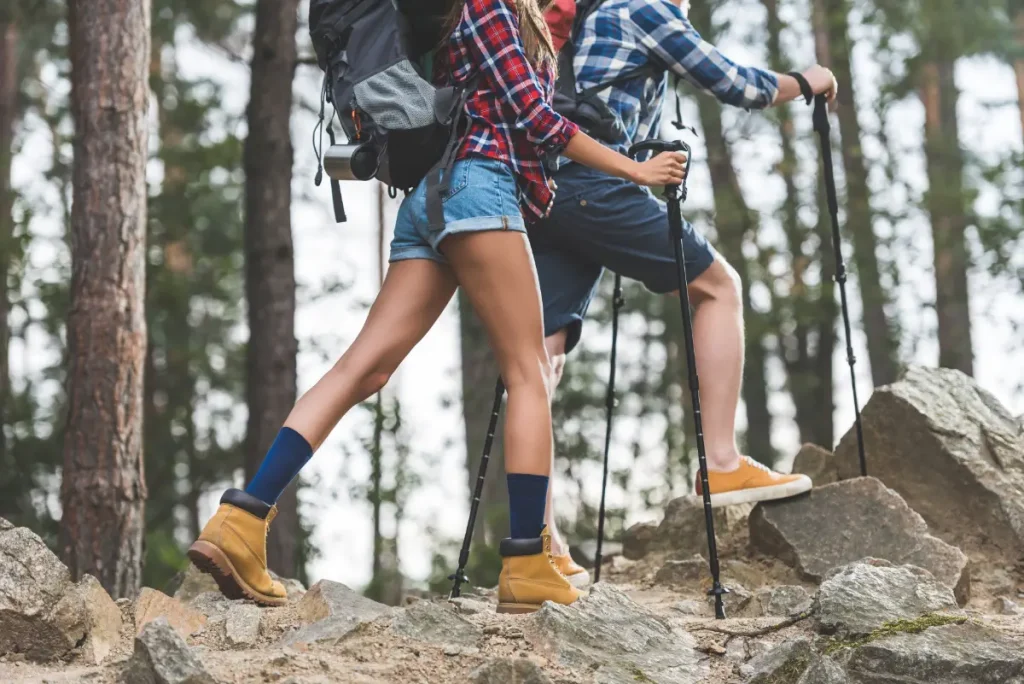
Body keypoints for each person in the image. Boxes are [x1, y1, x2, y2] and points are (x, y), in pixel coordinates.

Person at [187, 0, 685, 613]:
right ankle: (528, 562)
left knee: (362, 369)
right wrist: (634, 170)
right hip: (479, 186)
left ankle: (239, 522)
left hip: (434, 198)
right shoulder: (490, 6)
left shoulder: (487, 13)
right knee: (529, 372)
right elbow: (539, 120)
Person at [534, 0, 840, 589]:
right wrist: (809, 80)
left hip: (549, 183)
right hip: (597, 183)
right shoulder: (642, 8)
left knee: (540, 364)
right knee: (718, 286)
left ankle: (539, 541)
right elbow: (733, 82)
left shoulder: (594, 18)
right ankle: (722, 464)